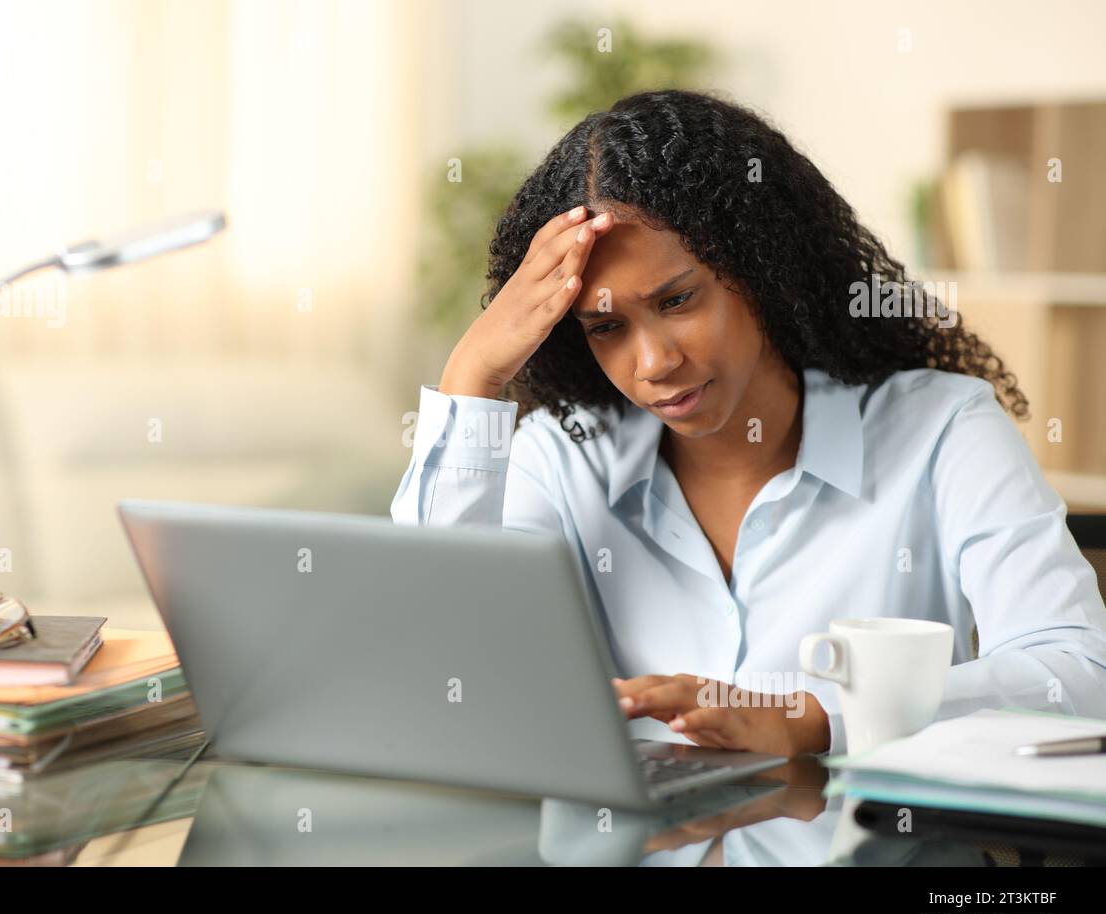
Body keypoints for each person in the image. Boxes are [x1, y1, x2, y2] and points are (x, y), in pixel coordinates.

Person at [391, 89, 1106, 757]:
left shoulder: (940, 430)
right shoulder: (564, 456)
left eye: (676, 302)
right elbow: (439, 667)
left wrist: (817, 719)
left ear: (764, 270)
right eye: (606, 325)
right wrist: (474, 374)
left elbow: (1076, 673)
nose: (654, 362)